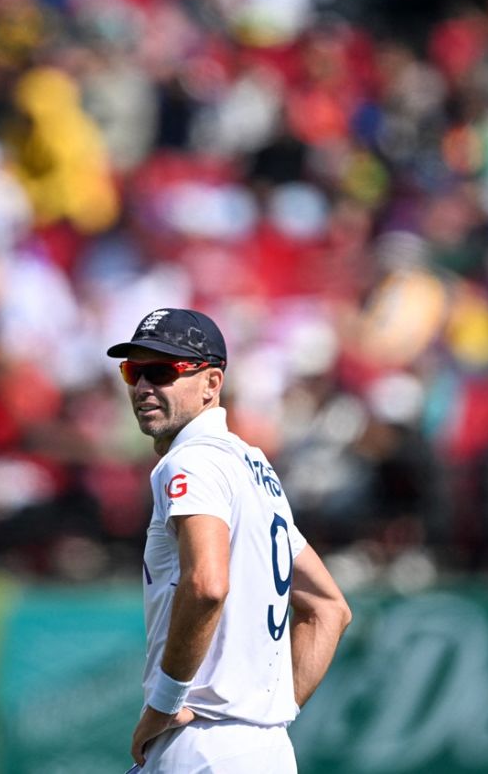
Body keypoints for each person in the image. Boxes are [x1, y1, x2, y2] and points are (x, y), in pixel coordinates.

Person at [108, 308, 353, 772]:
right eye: (133, 371)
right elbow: (328, 608)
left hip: (202, 742)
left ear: (211, 383)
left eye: (161, 372)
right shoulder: (252, 466)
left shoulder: (192, 461)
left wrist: (164, 703)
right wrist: (264, 717)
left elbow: (206, 585)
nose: (142, 388)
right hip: (268, 751)